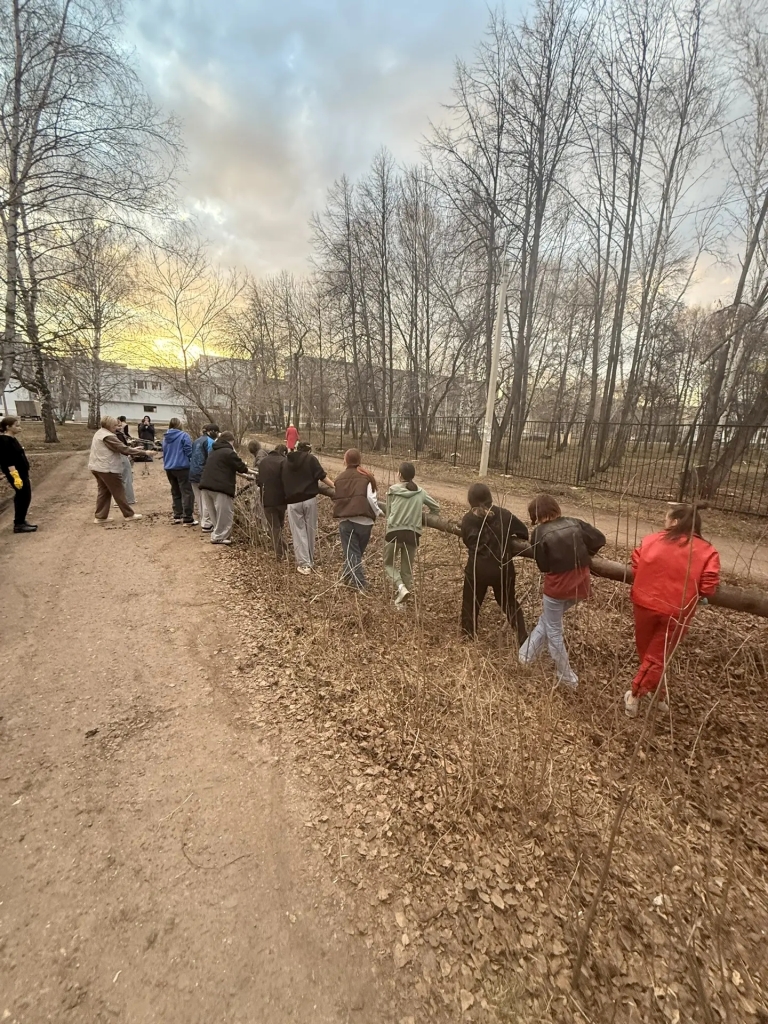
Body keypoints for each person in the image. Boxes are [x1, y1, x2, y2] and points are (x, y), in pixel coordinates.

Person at [625, 503, 720, 718]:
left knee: (647, 652)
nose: (664, 522)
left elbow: (637, 564)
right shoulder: (707, 551)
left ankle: (652, 694)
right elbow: (708, 587)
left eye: (666, 519)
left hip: (644, 602)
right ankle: (637, 695)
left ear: (675, 522)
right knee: (657, 655)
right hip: (677, 610)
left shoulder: (651, 540)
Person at [519, 493, 605, 688]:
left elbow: (543, 566)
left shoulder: (539, 532)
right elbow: (599, 539)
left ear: (536, 515)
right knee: (547, 621)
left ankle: (567, 677)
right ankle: (525, 656)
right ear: (555, 508)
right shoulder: (575, 523)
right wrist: (583, 555)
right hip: (580, 585)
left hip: (557, 589)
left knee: (554, 631)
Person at [460, 483, 529, 641]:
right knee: (509, 602)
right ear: (490, 498)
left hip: (477, 569)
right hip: (502, 569)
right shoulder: (505, 516)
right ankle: (523, 638)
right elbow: (524, 533)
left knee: (470, 603)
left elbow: (467, 541)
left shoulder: (468, 520)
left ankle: (468, 636)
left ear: (471, 501)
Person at [383, 462, 439, 608]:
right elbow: (436, 507)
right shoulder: (420, 492)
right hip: (413, 534)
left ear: (399, 475)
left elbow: (388, 514)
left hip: (394, 532)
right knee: (407, 569)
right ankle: (401, 604)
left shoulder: (392, 490)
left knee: (388, 564)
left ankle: (401, 587)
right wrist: (422, 521)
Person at [332, 449, 382, 590]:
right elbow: (371, 498)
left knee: (353, 553)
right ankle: (351, 579)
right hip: (365, 522)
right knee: (355, 553)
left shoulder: (339, 479)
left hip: (346, 521)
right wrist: (377, 512)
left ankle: (358, 583)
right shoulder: (367, 477)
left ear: (345, 460)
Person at [282, 441, 334, 574]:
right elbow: (322, 477)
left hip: (293, 502)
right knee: (310, 530)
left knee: (298, 532)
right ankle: (310, 559)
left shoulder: (286, 462)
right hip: (309, 499)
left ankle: (304, 564)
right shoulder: (311, 459)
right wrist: (334, 486)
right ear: (309, 451)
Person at [198, 431, 251, 545]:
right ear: (231, 441)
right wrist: (251, 473)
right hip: (220, 487)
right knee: (225, 513)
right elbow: (241, 467)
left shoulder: (213, 451)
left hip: (205, 485)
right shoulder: (229, 452)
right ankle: (220, 536)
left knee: (214, 513)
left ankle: (216, 534)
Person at [87, 416, 143, 522]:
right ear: (108, 425)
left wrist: (133, 449)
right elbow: (123, 449)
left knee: (104, 492)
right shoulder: (108, 436)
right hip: (107, 468)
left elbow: (118, 448)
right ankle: (129, 515)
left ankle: (100, 516)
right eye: (114, 425)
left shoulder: (100, 433)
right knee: (119, 491)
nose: (116, 427)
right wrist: (144, 452)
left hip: (97, 467)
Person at [0, 416, 37, 534]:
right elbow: (7, 460)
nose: (19, 427)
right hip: (16, 473)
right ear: (8, 427)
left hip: (22, 472)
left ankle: (21, 521)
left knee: (25, 496)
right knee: (23, 496)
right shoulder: (4, 441)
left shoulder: (12, 439)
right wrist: (15, 476)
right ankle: (19, 524)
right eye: (16, 425)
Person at [257, 444, 288, 558]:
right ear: (284, 452)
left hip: (266, 499)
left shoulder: (263, 462)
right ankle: (280, 553)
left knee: (274, 526)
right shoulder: (284, 461)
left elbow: (259, 481)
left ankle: (282, 549)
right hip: (281, 499)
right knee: (279, 526)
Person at [162, 417, 195, 525]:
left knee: (175, 491)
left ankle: (177, 515)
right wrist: (193, 460)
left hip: (169, 468)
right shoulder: (184, 435)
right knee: (187, 492)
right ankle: (188, 517)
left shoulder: (165, 437)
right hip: (182, 467)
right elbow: (189, 450)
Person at [189, 424, 220, 532]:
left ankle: (203, 520)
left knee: (199, 500)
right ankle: (207, 524)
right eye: (217, 432)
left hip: (193, 472)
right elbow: (211, 459)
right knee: (207, 499)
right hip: (203, 473)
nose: (217, 434)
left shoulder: (196, 441)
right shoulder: (210, 442)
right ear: (211, 431)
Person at [115, 417, 136, 505]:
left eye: (121, 425)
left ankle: (127, 498)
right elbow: (123, 448)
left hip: (121, 457)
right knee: (126, 479)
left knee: (125, 479)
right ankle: (126, 499)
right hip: (122, 457)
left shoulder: (117, 434)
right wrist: (132, 450)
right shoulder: (117, 435)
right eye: (118, 426)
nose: (120, 427)